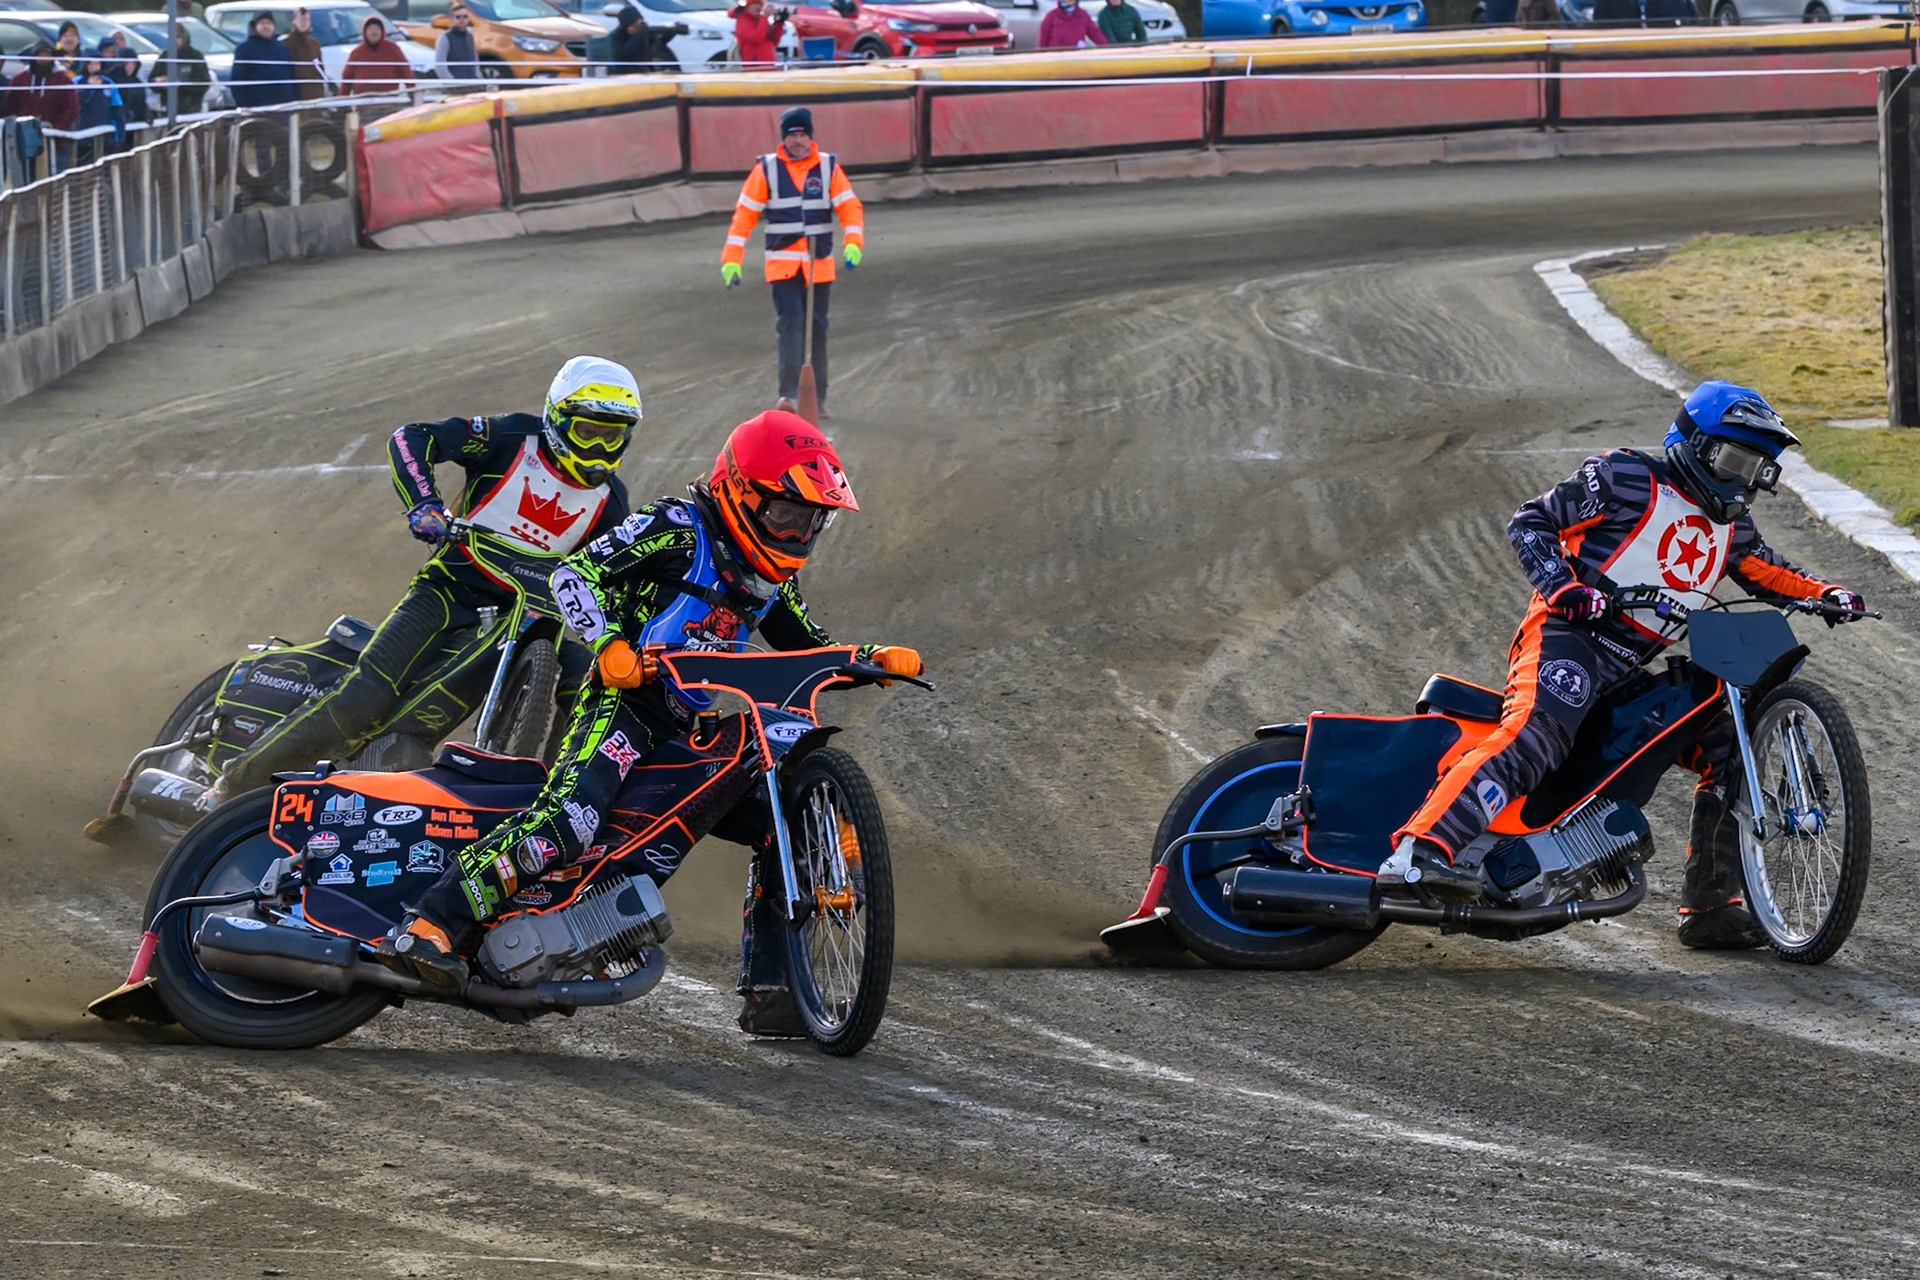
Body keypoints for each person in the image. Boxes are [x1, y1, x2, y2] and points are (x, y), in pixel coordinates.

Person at [377, 409, 925, 1029]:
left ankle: (774, 993)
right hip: (620, 707)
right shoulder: (675, 525)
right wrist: (610, 641)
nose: (799, 535)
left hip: (681, 729)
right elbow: (573, 573)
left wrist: (868, 659)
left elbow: (806, 645)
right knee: (572, 824)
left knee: (780, 820)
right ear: (741, 492)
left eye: (812, 522)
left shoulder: (768, 582)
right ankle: (430, 923)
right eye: (787, 515)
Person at [1380, 382, 1868, 949]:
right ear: (1694, 445)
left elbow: (1766, 569)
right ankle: (1420, 851)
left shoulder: (1733, 527)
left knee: (1733, 746)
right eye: (1735, 461)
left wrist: (1826, 592)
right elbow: (1531, 522)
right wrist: (1564, 588)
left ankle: (1710, 906)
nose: (1744, 480)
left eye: (1757, 467)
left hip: (1630, 667)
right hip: (1568, 638)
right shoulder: (1624, 476)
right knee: (1536, 737)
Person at [204, 358, 643, 805]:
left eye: (613, 435)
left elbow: (620, 575)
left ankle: (564, 802)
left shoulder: (612, 502)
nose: (599, 446)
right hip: (447, 590)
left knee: (589, 673)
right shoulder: (510, 437)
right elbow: (412, 438)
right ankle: (228, 787)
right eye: (589, 431)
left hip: (526, 622)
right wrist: (424, 504)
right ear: (558, 418)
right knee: (362, 697)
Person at [721, 106, 865, 417]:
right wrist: (732, 259)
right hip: (783, 265)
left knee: (817, 328)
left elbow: (849, 206)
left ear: (809, 136)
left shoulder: (827, 167)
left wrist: (853, 242)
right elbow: (744, 214)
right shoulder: (767, 169)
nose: (797, 141)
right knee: (791, 324)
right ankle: (788, 395)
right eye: (792, 135)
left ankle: (818, 399)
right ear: (784, 138)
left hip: (819, 264)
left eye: (802, 134)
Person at [4, 45, 78, 134]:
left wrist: (58, 129)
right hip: (23, 133)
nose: (43, 58)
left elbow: (71, 107)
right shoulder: (20, 79)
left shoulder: (62, 80)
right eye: (40, 55)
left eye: (47, 55)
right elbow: (9, 105)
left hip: (54, 136)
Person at [232, 11, 298, 107]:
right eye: (262, 23)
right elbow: (237, 79)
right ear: (255, 26)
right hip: (257, 105)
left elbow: (291, 75)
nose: (266, 26)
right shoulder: (244, 49)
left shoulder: (282, 47)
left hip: (284, 104)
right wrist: (242, 104)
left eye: (269, 23)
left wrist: (295, 99)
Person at [340, 14, 414, 95]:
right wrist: (342, 103)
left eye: (377, 29)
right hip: (363, 101)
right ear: (365, 32)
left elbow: (406, 72)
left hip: (389, 100)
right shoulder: (356, 53)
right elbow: (346, 79)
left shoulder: (393, 49)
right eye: (370, 29)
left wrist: (413, 95)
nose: (374, 32)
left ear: (382, 31)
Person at [73, 57, 125, 159]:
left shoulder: (109, 83)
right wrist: (89, 88)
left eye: (97, 64)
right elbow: (73, 105)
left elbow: (117, 109)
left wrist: (120, 137)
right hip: (81, 138)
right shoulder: (76, 82)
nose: (94, 67)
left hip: (105, 139)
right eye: (91, 64)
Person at [159, 25, 213, 115]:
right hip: (167, 107)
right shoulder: (165, 56)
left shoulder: (195, 56)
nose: (175, 41)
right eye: (172, 37)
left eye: (178, 37)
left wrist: (182, 84)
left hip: (191, 108)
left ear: (185, 37)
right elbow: (152, 79)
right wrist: (159, 82)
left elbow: (203, 83)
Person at [285, 8, 327, 100]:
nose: (304, 23)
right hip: (296, 96)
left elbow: (320, 69)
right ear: (294, 21)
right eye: (301, 19)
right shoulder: (286, 44)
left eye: (307, 20)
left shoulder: (314, 43)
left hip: (315, 95)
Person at [434, 4, 481, 87]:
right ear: (452, 19)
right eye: (458, 17)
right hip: (455, 88)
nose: (462, 20)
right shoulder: (445, 38)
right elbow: (440, 66)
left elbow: (475, 61)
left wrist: (479, 80)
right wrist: (452, 83)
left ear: (469, 18)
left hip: (473, 85)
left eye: (465, 16)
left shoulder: (470, 37)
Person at [730, 0, 785, 69]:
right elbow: (755, 39)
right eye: (754, 4)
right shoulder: (743, 19)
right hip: (754, 63)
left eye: (760, 5)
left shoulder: (760, 20)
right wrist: (764, 18)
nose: (758, 7)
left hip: (769, 63)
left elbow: (775, 41)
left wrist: (779, 23)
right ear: (747, 7)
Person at [1038, 0, 1107, 49]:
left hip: (1076, 59)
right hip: (1055, 60)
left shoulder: (1083, 15)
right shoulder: (1052, 16)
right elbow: (1042, 43)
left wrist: (1109, 48)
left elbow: (1095, 34)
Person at [110, 49, 150, 131]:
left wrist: (147, 114)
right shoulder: (111, 81)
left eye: (133, 64)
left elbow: (141, 104)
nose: (130, 67)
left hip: (134, 127)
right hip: (117, 127)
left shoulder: (138, 83)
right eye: (126, 64)